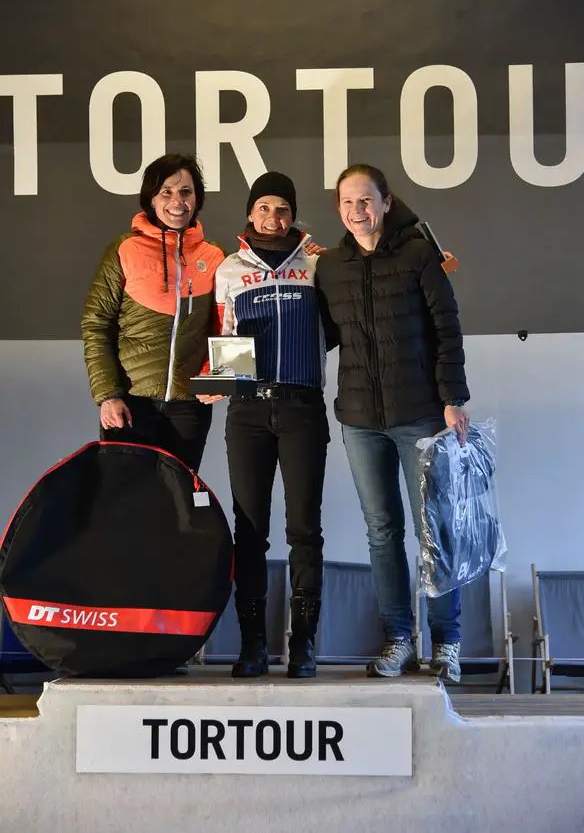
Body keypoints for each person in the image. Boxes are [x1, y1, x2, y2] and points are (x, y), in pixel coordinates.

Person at [315, 163, 470, 682]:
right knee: (382, 532)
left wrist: (453, 398)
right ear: (338, 209)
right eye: (347, 203)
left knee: (435, 530)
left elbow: (447, 328)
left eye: (366, 200)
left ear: (384, 202)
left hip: (420, 414)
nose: (357, 211)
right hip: (360, 420)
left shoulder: (418, 255)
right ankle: (399, 638)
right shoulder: (331, 267)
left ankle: (447, 642)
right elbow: (321, 335)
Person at [198, 172, 329, 679]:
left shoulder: (317, 265)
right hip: (248, 411)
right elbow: (223, 338)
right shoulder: (228, 270)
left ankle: (305, 646)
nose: (273, 218)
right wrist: (217, 379)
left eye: (282, 209)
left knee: (305, 530)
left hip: (302, 406)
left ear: (292, 215)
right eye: (265, 208)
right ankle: (252, 645)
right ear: (251, 214)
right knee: (249, 532)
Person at [81, 153, 225, 471]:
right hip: (130, 402)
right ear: (151, 198)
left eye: (186, 192)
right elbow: (95, 324)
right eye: (167, 192)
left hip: (189, 408)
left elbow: (229, 322)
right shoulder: (125, 249)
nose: (177, 201)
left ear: (197, 198)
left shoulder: (214, 256)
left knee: (178, 504)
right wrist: (107, 395)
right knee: (125, 500)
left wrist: (223, 379)